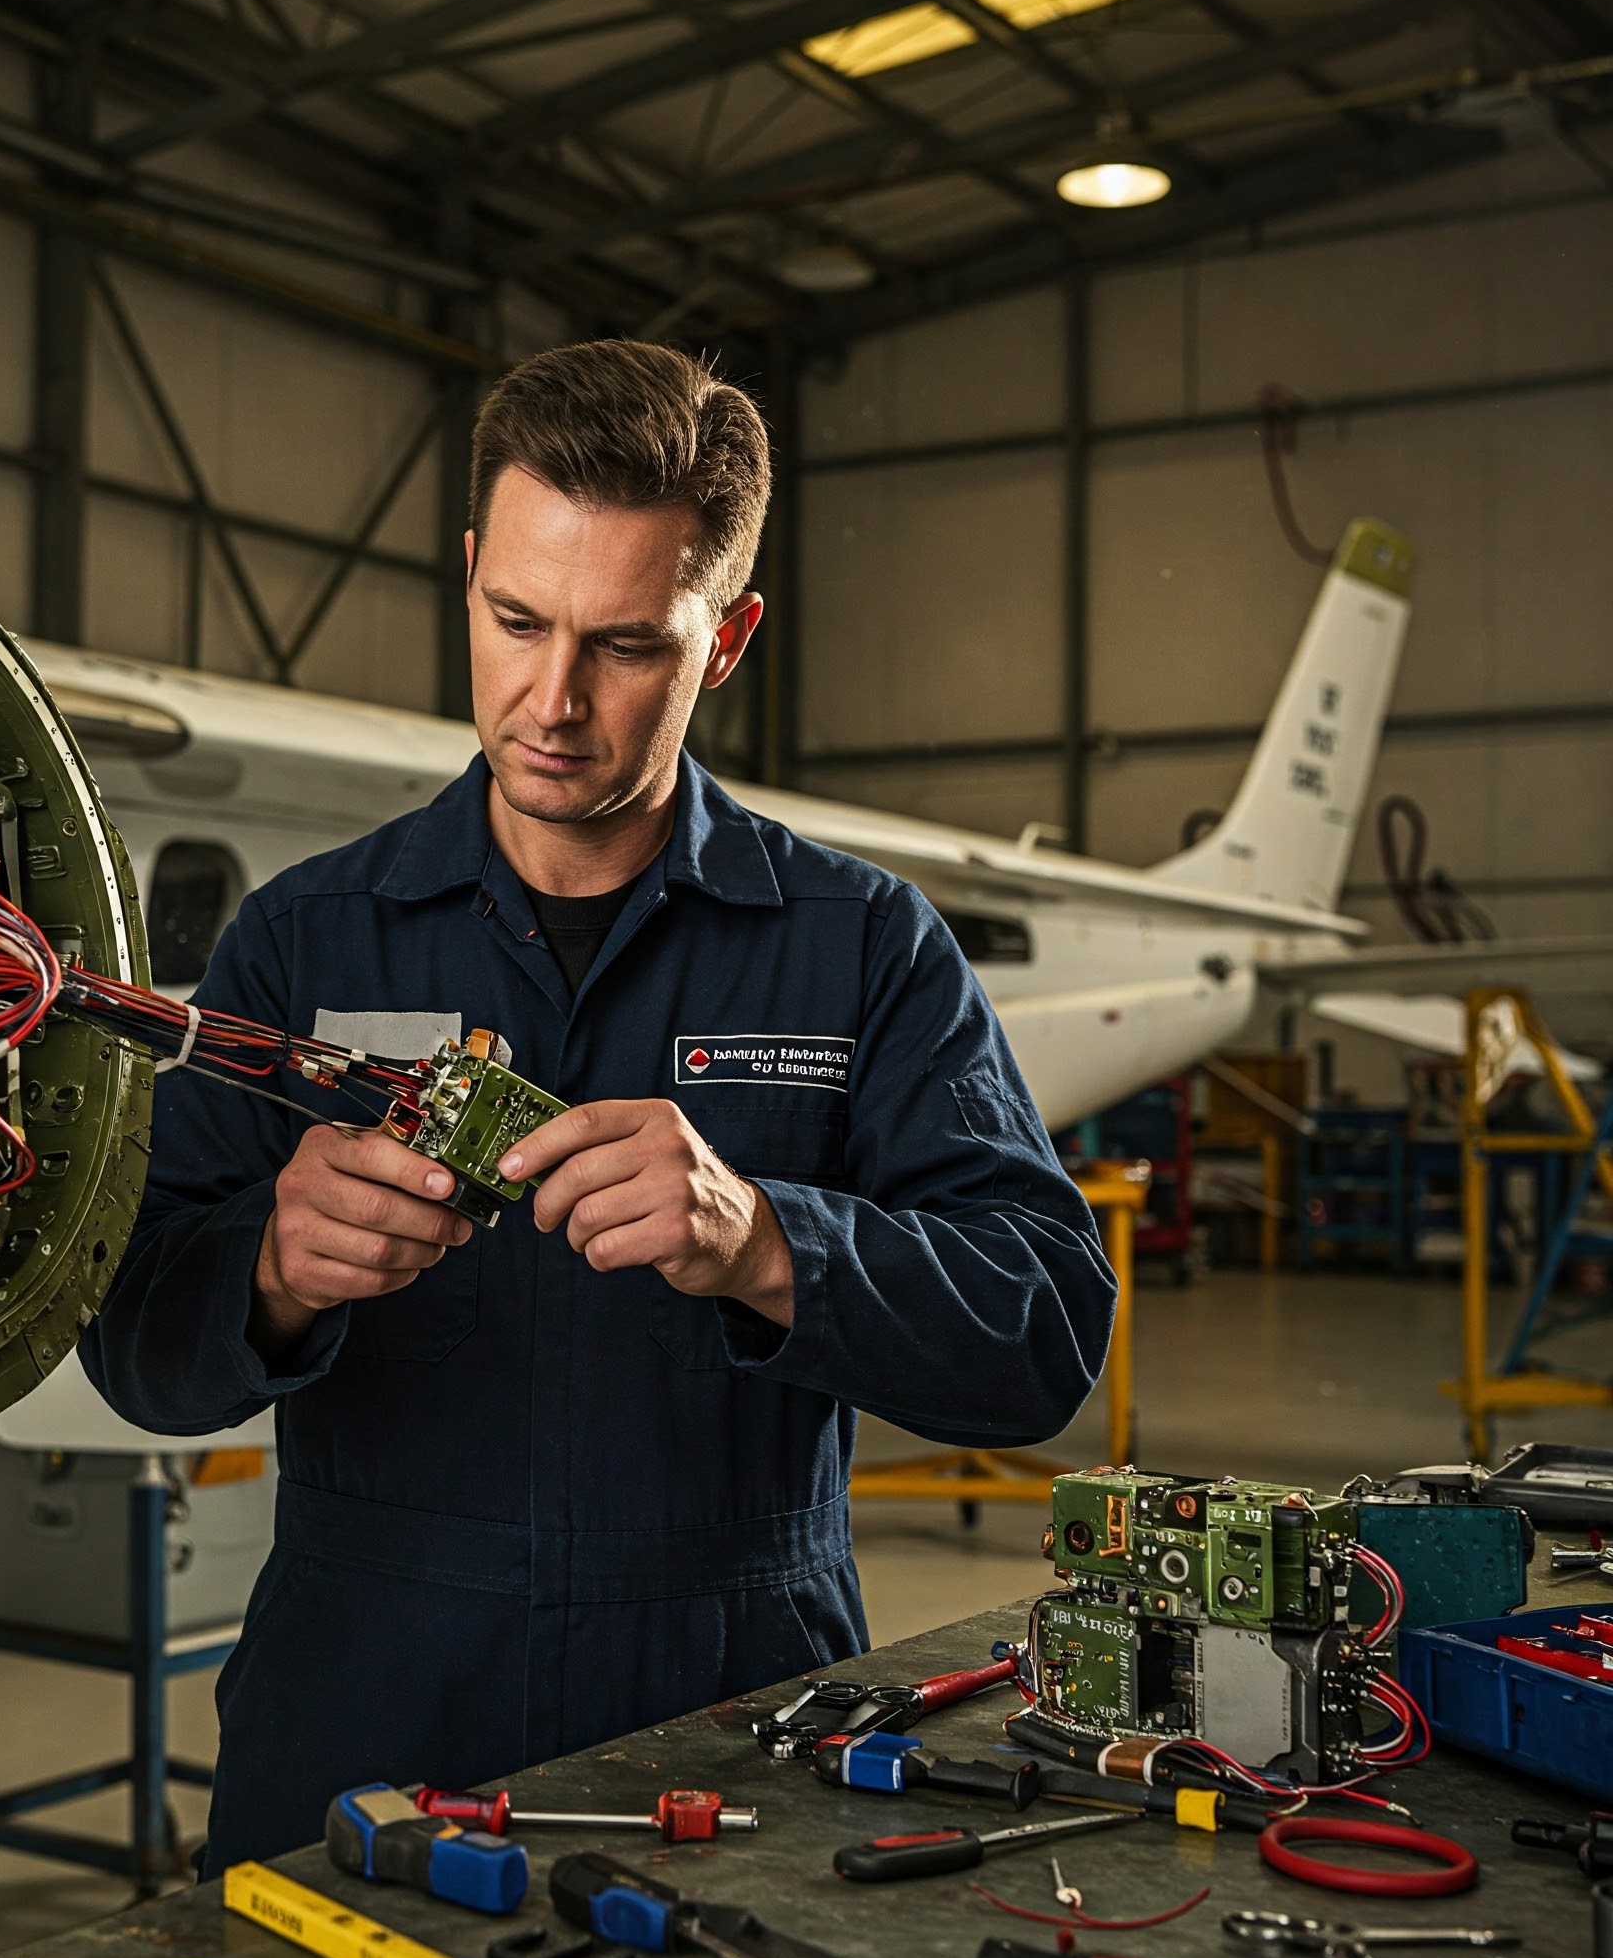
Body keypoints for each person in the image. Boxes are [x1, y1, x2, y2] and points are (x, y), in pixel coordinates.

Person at [81, 338, 1116, 1868]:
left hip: (734, 1717)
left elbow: (1043, 1340)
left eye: (628, 646)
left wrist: (771, 1239)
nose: (552, 700)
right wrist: (271, 1274)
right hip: (366, 1711)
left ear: (730, 638)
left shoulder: (859, 945)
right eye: (516, 621)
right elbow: (133, 1350)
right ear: (471, 577)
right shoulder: (305, 938)